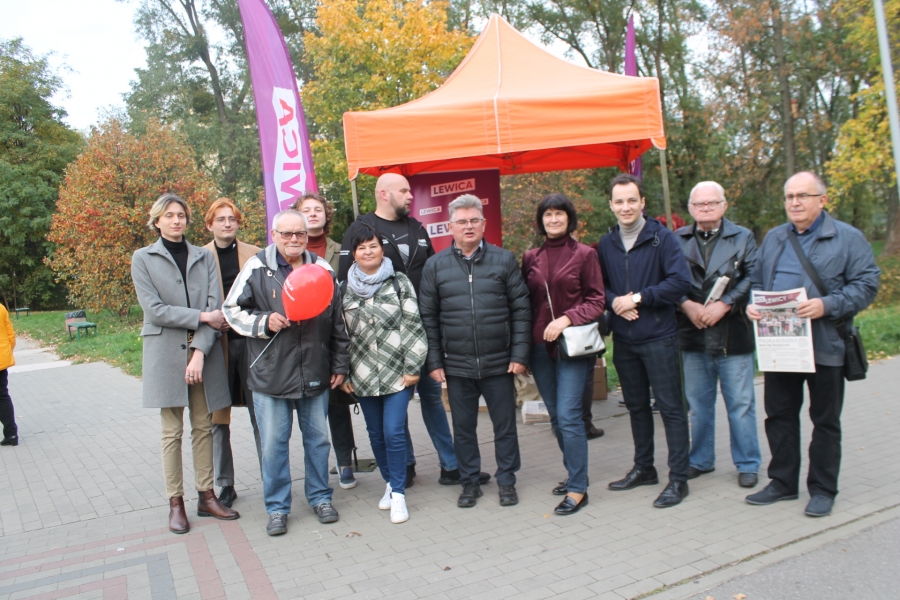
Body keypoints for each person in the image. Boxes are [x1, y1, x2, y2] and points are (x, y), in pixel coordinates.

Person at [746, 171, 879, 517]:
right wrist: (752, 304)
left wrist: (827, 304)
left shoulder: (848, 238)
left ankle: (822, 489)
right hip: (781, 345)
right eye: (789, 196)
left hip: (825, 344)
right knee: (779, 416)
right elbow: (756, 281)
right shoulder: (775, 238)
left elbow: (867, 284)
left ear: (822, 200)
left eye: (802, 196)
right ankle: (782, 482)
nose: (794, 203)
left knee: (825, 421)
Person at [339, 173, 486, 488]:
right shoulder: (362, 228)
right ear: (384, 193)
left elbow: (435, 272)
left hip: (424, 331)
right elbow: (346, 283)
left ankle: (451, 465)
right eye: (404, 190)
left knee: (432, 398)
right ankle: (403, 466)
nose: (410, 196)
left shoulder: (417, 228)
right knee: (396, 406)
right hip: (385, 341)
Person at [223, 209, 350, 535]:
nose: (294, 239)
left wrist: (339, 363)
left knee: (318, 441)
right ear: (274, 235)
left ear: (307, 236)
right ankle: (277, 508)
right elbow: (231, 310)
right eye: (287, 234)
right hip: (271, 374)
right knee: (274, 445)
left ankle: (320, 498)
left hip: (315, 370)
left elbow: (338, 320)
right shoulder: (257, 267)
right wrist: (263, 322)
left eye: (300, 234)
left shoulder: (322, 268)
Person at [131, 193, 240, 534]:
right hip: (165, 354)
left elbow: (215, 309)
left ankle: (207, 496)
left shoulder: (204, 257)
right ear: (157, 220)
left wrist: (199, 352)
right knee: (171, 431)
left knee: (204, 427)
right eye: (169, 215)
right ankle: (175, 503)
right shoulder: (143, 258)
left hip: (203, 354)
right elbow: (155, 311)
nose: (176, 220)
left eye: (180, 215)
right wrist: (201, 317)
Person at [419, 194, 532, 508]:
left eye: (474, 220)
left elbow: (521, 310)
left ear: (483, 224)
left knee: (504, 426)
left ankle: (507, 481)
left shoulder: (504, 260)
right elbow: (427, 317)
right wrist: (434, 361)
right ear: (450, 226)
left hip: (499, 362)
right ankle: (469, 482)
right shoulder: (435, 265)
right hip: (457, 364)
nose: (468, 226)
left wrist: (519, 355)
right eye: (461, 221)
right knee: (463, 428)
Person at [597, 174, 693, 508]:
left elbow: (680, 282)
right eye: (619, 201)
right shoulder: (606, 244)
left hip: (659, 336)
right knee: (636, 407)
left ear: (642, 203)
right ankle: (644, 468)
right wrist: (615, 303)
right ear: (611, 205)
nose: (626, 207)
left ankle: (678, 478)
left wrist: (638, 298)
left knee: (671, 408)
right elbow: (599, 287)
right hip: (624, 340)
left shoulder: (662, 239)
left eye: (631, 200)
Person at [522, 194, 605, 515]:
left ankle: (578, 488)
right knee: (557, 417)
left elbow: (597, 300)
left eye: (559, 214)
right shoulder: (531, 257)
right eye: (548, 215)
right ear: (541, 220)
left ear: (569, 219)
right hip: (539, 348)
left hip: (573, 346)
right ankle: (574, 472)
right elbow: (526, 305)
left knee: (570, 415)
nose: (553, 219)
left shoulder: (585, 255)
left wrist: (567, 318)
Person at [675, 181, 762, 489]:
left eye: (712, 202)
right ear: (690, 208)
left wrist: (725, 304)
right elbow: (667, 278)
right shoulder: (677, 239)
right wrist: (686, 305)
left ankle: (748, 463)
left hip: (733, 334)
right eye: (700, 204)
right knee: (698, 406)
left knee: (741, 405)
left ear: (724, 206)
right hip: (693, 333)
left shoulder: (743, 237)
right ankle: (700, 459)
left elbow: (753, 276)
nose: (706, 208)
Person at [340, 225, 428, 524]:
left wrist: (413, 366)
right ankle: (390, 483)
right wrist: (344, 373)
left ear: (382, 249)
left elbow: (413, 324)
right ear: (354, 253)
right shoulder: (345, 287)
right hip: (362, 374)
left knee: (393, 431)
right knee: (375, 433)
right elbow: (341, 335)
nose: (368, 251)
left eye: (373, 246)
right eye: (362, 247)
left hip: (397, 372)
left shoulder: (399, 282)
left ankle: (399, 494)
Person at [293, 192, 359, 491]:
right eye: (306, 210)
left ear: (326, 215)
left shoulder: (342, 249)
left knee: (339, 402)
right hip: (302, 336)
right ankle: (319, 469)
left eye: (318, 209)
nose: (313, 214)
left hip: (339, 331)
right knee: (313, 409)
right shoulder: (289, 252)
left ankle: (346, 462)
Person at [203, 198, 262, 508]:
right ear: (209, 225)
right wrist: (213, 319)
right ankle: (225, 484)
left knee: (261, 413)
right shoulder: (200, 257)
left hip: (251, 343)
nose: (227, 223)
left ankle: (271, 478)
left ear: (239, 223)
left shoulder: (255, 254)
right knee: (218, 419)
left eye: (232, 219)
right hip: (216, 345)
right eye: (221, 219)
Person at [0, 302, 18, 447]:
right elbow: (11, 335)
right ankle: (11, 433)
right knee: (2, 396)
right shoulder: (1, 308)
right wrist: (6, 352)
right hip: (1, 358)